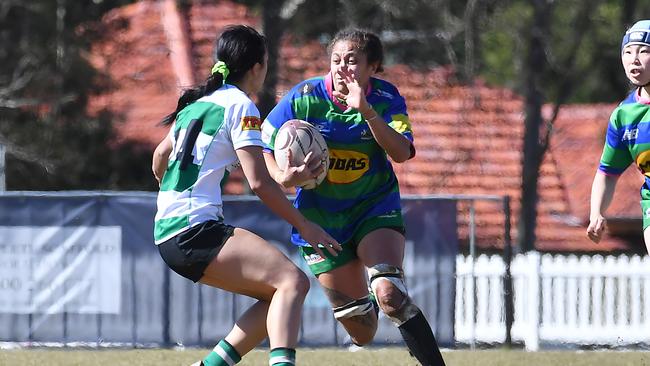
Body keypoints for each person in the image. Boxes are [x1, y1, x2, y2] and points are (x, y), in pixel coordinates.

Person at [152, 25, 341, 366]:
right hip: (195, 229)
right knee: (292, 281)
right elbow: (259, 183)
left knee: (278, 295)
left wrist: (173, 191)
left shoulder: (195, 105)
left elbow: (160, 158)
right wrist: (305, 225)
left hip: (168, 233)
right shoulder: (241, 106)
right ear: (256, 67)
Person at [261, 28, 447, 366]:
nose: (342, 67)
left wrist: (367, 112)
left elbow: (403, 153)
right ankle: (367, 300)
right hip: (321, 222)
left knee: (391, 294)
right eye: (336, 60)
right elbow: (264, 144)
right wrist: (283, 176)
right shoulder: (304, 96)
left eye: (352, 61)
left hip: (373, 208)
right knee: (362, 332)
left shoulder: (386, 98)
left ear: (373, 67)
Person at [588, 19, 650, 253]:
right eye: (628, 51)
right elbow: (607, 173)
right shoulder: (624, 117)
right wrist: (596, 213)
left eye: (644, 51)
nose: (634, 59)